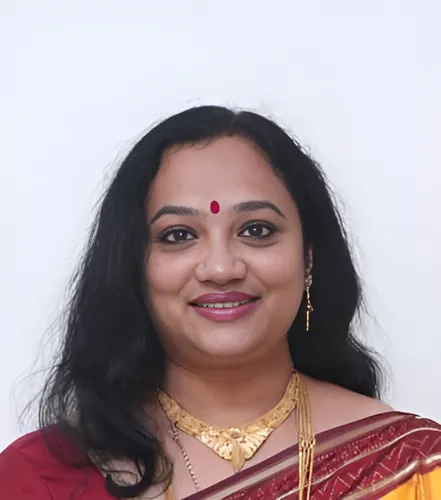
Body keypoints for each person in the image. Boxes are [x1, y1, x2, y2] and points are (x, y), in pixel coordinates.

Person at [1, 106, 440, 500]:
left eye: (256, 230)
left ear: (308, 257)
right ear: (132, 267)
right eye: (178, 235)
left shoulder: (411, 468)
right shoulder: (39, 479)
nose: (221, 267)